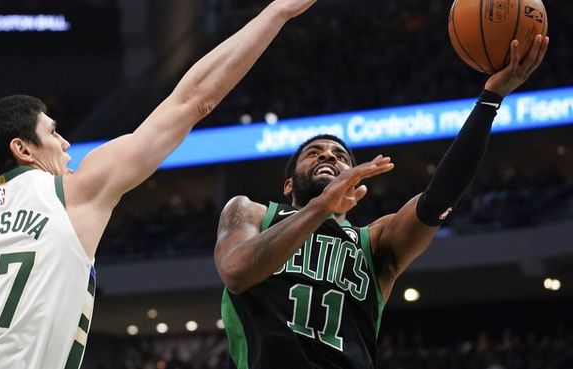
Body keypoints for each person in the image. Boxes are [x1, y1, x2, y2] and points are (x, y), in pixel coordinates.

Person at [0, 1, 319, 368]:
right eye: (53, 133)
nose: (66, 145)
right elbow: (192, 101)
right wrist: (275, 12)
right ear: (24, 150)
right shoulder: (72, 193)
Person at [214, 35, 549, 369]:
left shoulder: (373, 244)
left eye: (340, 156)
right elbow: (236, 272)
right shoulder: (251, 211)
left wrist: (490, 99)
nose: (328, 156)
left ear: (355, 180)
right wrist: (320, 208)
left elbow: (438, 200)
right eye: (314, 153)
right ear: (288, 184)